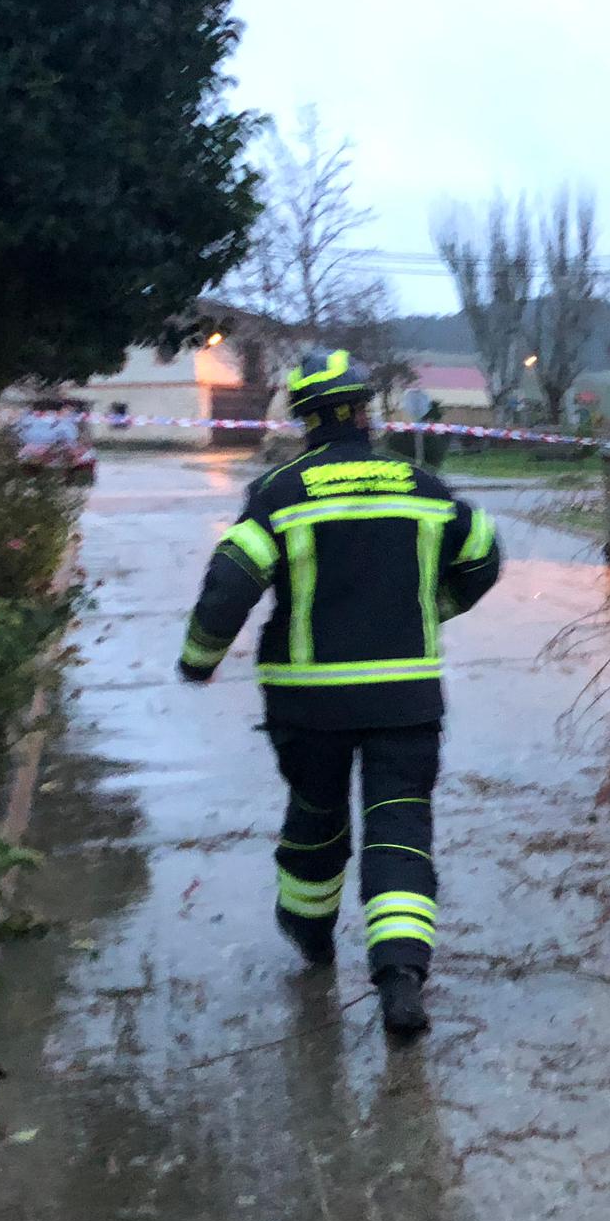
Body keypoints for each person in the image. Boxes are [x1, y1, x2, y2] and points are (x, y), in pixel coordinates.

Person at [177, 351, 503, 1037]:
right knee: (400, 826)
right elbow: (482, 554)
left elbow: (230, 582)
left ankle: (310, 934)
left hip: (308, 704)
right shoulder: (423, 486)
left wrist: (198, 660)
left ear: (304, 420)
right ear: (366, 413)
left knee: (316, 813)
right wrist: (429, 608)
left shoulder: (279, 492)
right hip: (404, 700)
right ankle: (401, 975)